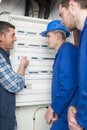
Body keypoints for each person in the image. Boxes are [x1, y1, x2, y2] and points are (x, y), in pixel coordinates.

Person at [41, 20, 78, 130]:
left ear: (58, 35)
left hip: (69, 112)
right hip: (64, 111)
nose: (46, 40)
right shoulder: (62, 52)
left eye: (48, 36)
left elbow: (69, 85)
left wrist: (53, 108)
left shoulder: (67, 50)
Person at [58, 0, 87, 129]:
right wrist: (73, 106)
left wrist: (82, 120)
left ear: (72, 5)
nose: (62, 21)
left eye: (61, 14)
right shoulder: (83, 35)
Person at [0, 21, 29, 130]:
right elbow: (15, 85)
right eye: (12, 35)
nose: (15, 39)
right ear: (2, 37)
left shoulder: (4, 56)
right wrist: (22, 65)